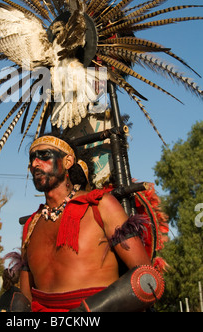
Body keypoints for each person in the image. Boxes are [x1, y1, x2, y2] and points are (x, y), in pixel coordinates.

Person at [11, 134, 164, 312]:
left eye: (45, 155)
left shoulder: (100, 205)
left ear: (67, 161)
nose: (35, 163)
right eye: (32, 158)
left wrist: (85, 314)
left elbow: (147, 279)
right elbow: (26, 298)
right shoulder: (31, 225)